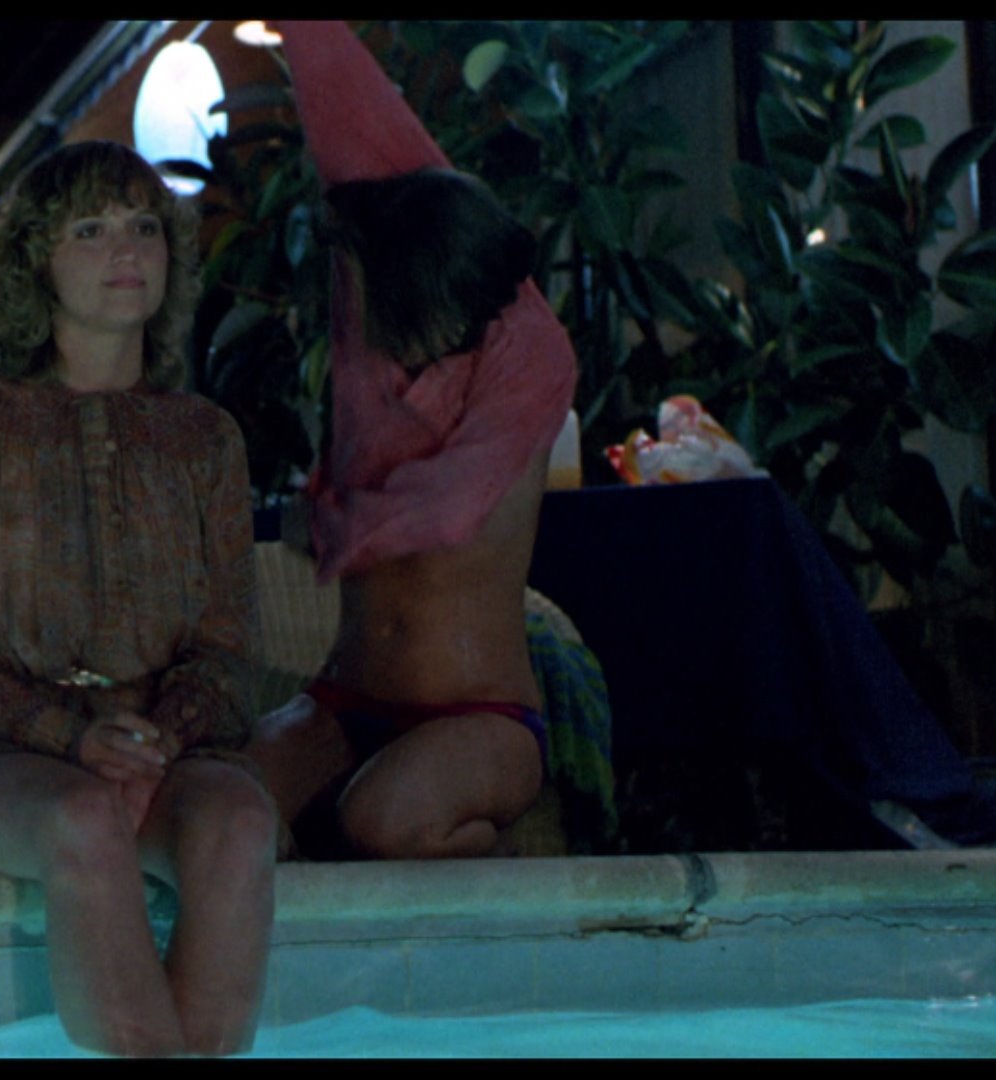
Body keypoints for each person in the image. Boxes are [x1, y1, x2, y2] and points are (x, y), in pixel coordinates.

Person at [0, 141, 277, 1057]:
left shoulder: (206, 438)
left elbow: (231, 648)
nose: (125, 248)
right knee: (82, 820)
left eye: (143, 227)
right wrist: (71, 739)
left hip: (163, 749)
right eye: (89, 229)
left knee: (242, 825)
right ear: (35, 262)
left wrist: (159, 736)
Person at [244, 21, 580, 861]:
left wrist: (327, 525)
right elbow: (352, 119)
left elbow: (449, 509)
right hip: (347, 696)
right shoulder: (385, 251)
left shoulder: (529, 352)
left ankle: (491, 877)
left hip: (480, 714)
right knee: (224, 809)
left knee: (382, 822)